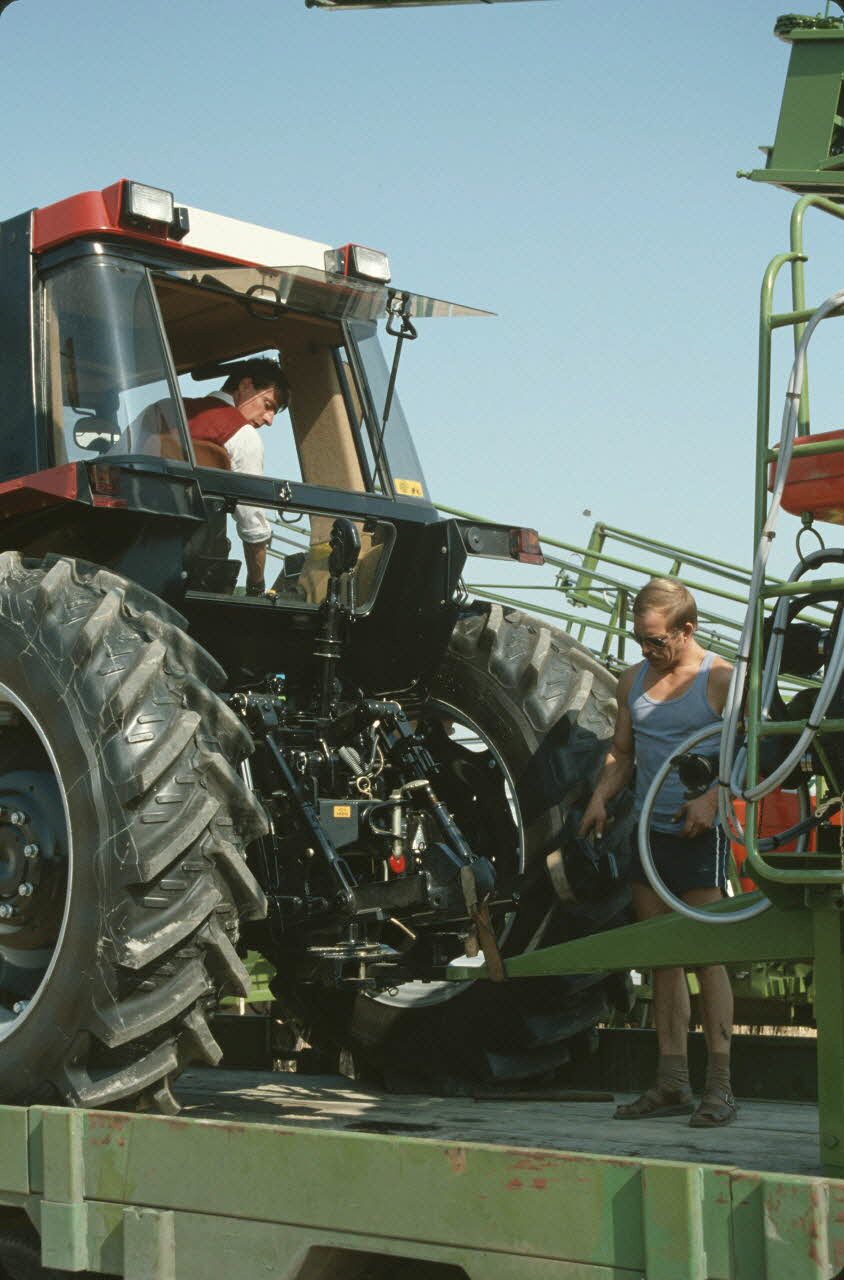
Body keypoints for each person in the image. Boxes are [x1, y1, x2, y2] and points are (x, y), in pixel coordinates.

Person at [578, 577, 737, 1127]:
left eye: (655, 641)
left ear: (686, 630)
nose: (646, 651)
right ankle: (672, 1083)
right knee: (661, 959)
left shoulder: (720, 679)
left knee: (706, 958)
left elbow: (754, 753)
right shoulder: (632, 682)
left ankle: (720, 1087)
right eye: (639, 640)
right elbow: (622, 753)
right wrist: (601, 796)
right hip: (648, 835)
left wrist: (713, 797)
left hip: (699, 836)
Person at [184, 357, 290, 596]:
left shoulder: (163, 409)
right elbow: (252, 524)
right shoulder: (242, 436)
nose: (269, 420)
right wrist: (256, 584)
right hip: (196, 575)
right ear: (245, 386)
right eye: (268, 405)